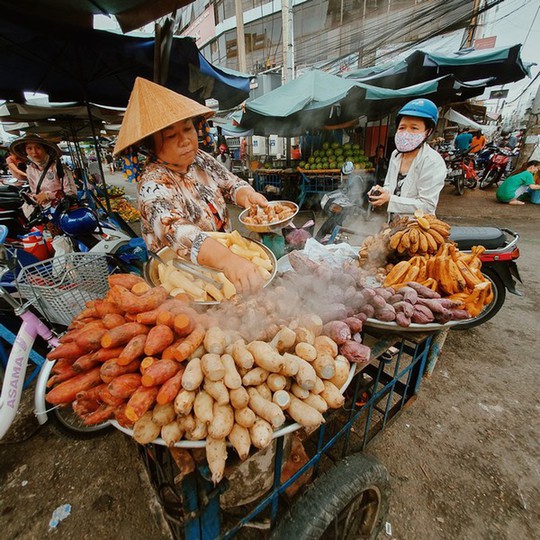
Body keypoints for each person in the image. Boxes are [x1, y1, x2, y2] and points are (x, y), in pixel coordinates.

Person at [113, 77, 269, 294]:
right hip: (186, 281)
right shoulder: (152, 184)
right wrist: (228, 260)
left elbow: (232, 184)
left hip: (226, 268)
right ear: (151, 145)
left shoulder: (200, 159)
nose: (185, 140)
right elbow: (179, 231)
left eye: (187, 129)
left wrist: (247, 196)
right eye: (170, 136)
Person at [368, 98, 447, 216]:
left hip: (417, 228)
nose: (406, 133)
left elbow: (427, 206)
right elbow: (390, 186)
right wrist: (382, 193)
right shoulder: (396, 155)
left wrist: (390, 199)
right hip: (395, 224)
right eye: (402, 127)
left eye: (414, 128)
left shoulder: (433, 161)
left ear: (428, 131)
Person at [10, 134, 76, 209]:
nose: (34, 152)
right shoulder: (30, 170)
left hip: (62, 210)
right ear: (25, 151)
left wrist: (48, 196)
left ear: (45, 149)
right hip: (45, 212)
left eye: (38, 148)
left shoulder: (60, 168)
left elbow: (71, 193)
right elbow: (34, 192)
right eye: (29, 148)